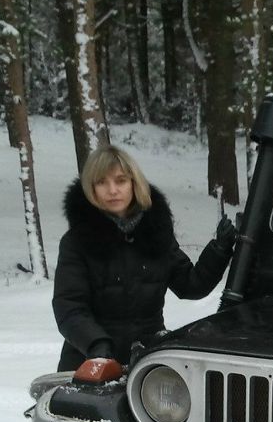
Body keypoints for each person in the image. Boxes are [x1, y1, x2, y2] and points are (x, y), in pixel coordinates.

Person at [52, 145, 236, 371]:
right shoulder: (76, 242)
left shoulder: (156, 233)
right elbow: (69, 307)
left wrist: (219, 249)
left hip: (147, 362)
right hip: (89, 361)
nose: (112, 190)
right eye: (102, 182)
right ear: (91, 188)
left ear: (133, 183)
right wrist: (96, 345)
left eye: (120, 181)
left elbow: (191, 285)